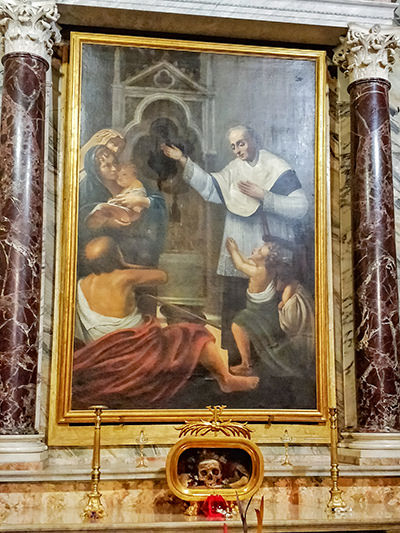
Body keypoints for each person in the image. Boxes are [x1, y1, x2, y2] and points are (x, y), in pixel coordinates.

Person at [161, 125, 308, 362]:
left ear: (254, 139)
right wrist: (183, 160)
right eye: (233, 146)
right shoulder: (235, 168)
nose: (237, 150)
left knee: (265, 313)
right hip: (237, 246)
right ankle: (235, 360)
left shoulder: (276, 168)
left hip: (266, 252)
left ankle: (267, 362)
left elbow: (301, 207)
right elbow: (210, 188)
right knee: (234, 305)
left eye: (241, 143)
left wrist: (265, 196)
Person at [72, 237, 259, 409]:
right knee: (194, 333)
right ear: (116, 255)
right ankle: (226, 379)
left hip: (100, 353)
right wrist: (125, 265)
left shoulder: (81, 284)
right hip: (135, 349)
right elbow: (162, 276)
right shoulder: (124, 276)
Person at [226, 236, 314, 380]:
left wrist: (233, 250)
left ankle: (246, 365)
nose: (255, 249)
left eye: (259, 251)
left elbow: (240, 265)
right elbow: (245, 261)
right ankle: (247, 363)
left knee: (237, 324)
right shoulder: (265, 267)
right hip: (263, 309)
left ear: (265, 261)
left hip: (259, 310)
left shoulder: (260, 272)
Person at [78, 144, 167, 280]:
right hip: (108, 251)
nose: (114, 169)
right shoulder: (86, 189)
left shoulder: (131, 179)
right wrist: (107, 223)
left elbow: (160, 203)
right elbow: (78, 226)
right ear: (96, 170)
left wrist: (141, 200)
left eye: (115, 163)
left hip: (140, 246)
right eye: (107, 166)